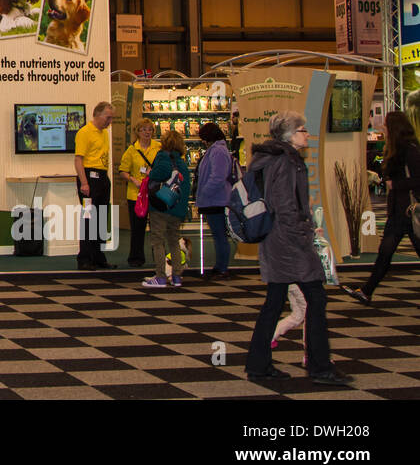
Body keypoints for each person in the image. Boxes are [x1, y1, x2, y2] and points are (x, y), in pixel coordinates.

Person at [244, 112, 351, 386]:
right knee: (316, 298)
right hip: (289, 241)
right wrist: (304, 233)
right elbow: (286, 205)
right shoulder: (287, 161)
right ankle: (320, 366)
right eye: (303, 130)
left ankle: (258, 364)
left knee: (275, 301)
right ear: (291, 135)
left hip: (275, 239)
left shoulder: (267, 158)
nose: (307, 135)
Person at [345, 111, 420, 305]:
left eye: (386, 125)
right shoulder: (394, 150)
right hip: (398, 213)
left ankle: (367, 290)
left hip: (410, 212)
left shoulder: (411, 150)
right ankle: (367, 290)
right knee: (385, 252)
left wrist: (397, 185)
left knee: (386, 252)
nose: (382, 128)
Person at [141, 130, 190, 288]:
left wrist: (149, 173)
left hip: (160, 207)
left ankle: (161, 276)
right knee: (174, 241)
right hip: (177, 209)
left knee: (158, 241)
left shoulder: (162, 158)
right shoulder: (182, 164)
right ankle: (176, 276)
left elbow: (154, 177)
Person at [74, 101, 116, 270]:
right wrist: (84, 183)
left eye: (112, 118)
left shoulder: (104, 133)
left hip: (102, 177)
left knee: (101, 218)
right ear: (97, 115)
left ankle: (98, 257)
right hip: (89, 180)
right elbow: (78, 160)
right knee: (89, 219)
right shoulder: (85, 132)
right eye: (108, 117)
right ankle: (84, 259)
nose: (110, 121)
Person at [116, 118, 159, 268]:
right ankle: (136, 258)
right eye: (144, 129)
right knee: (137, 228)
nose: (147, 132)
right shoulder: (131, 150)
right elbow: (122, 170)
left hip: (155, 194)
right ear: (137, 132)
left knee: (157, 227)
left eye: (150, 129)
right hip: (136, 195)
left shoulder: (159, 147)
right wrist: (133, 179)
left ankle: (159, 258)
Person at [195, 121, 235, 279]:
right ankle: (220, 266)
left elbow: (218, 177)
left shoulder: (217, 151)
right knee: (219, 235)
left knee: (219, 235)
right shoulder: (218, 149)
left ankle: (222, 267)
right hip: (215, 198)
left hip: (216, 200)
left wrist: (204, 192)